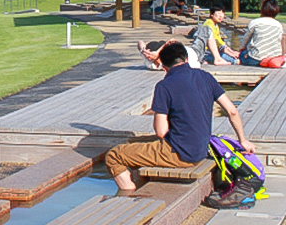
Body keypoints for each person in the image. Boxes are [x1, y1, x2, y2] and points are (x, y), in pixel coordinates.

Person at [105, 42, 255, 194]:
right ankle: (141, 184)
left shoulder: (164, 86)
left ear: (163, 66)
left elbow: (161, 132)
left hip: (180, 153)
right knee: (131, 142)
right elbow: (232, 111)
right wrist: (242, 140)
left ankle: (129, 197)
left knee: (114, 155)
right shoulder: (206, 77)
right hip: (201, 148)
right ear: (186, 58)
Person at [238, 0, 284, 66]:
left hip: (256, 58)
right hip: (273, 58)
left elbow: (246, 38)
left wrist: (242, 49)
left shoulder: (255, 22)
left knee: (242, 54)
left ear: (262, 9)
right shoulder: (279, 25)